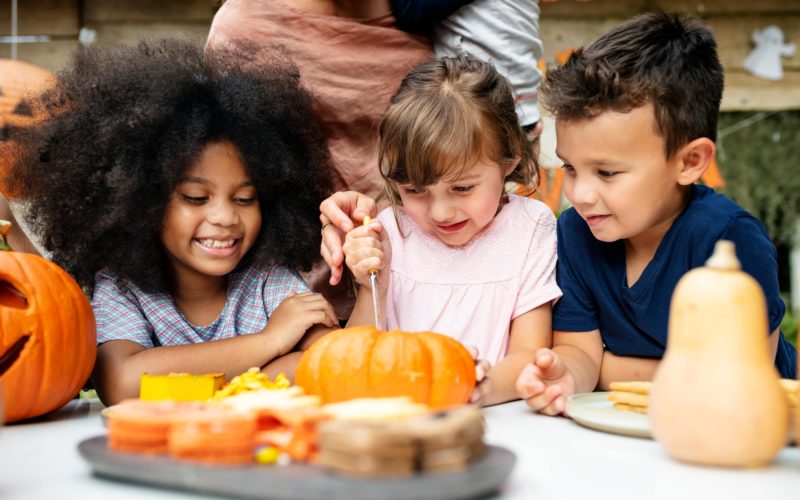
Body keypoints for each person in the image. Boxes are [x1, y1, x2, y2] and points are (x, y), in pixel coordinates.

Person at [8, 40, 338, 405]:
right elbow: (122, 383)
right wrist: (270, 343)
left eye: (245, 199)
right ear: (143, 202)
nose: (226, 218)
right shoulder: (122, 289)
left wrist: (172, 381)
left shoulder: (267, 278)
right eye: (196, 198)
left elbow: (326, 363)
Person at [514, 12, 798, 415]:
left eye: (607, 173)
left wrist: (606, 370)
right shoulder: (575, 232)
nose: (578, 193)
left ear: (690, 161)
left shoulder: (730, 240)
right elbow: (579, 351)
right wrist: (568, 377)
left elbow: (737, 378)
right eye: (570, 168)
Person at [336, 55, 561, 406]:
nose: (440, 212)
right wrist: (371, 287)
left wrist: (474, 387)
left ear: (509, 163)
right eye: (414, 190)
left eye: (462, 188)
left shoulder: (530, 227)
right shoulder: (391, 229)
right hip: (399, 420)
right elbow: (355, 358)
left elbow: (529, 353)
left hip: (494, 420)